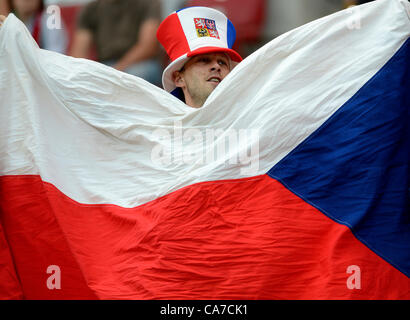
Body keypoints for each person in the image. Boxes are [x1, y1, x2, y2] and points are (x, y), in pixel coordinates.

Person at [156, 6, 243, 108]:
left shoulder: (250, 121)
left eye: (222, 62)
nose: (216, 66)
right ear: (179, 79)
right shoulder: (166, 124)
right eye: (204, 60)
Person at [71, 0, 162, 86]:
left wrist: (115, 71)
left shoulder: (148, 3)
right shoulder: (90, 9)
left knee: (134, 77)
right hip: (106, 66)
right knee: (80, 80)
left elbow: (148, 47)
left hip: (141, 63)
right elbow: (78, 54)